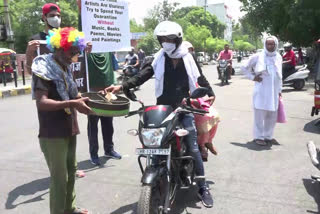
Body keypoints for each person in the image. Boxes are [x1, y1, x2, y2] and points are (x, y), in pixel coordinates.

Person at [105, 21, 215, 208]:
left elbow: (199, 78)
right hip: (163, 109)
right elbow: (142, 75)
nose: (166, 42)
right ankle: (156, 176)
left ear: (178, 39)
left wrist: (210, 92)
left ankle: (203, 187)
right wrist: (121, 86)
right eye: (163, 39)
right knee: (155, 145)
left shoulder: (188, 58)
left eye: (170, 39)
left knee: (192, 145)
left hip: (184, 108)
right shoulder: (158, 58)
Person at [32, 27, 91, 214]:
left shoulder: (64, 67)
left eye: (76, 52)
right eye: (71, 51)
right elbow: (41, 102)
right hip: (52, 132)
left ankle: (69, 208)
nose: (74, 56)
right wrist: (72, 102)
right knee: (59, 179)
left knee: (71, 173)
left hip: (69, 127)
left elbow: (74, 94)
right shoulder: (43, 69)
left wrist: (94, 98)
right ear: (58, 47)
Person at [76, 0, 121, 166]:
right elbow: (84, 28)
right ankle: (93, 153)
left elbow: (112, 25)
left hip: (107, 92)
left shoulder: (108, 49)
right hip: (92, 93)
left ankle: (109, 149)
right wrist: (82, 10)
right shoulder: (87, 51)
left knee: (108, 123)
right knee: (93, 125)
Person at [241, 36, 282, 146]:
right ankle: (258, 137)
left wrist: (280, 90)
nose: (270, 46)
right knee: (260, 115)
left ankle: (268, 136)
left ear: (276, 45)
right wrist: (252, 77)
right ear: (265, 44)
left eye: (272, 44)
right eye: (268, 44)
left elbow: (279, 75)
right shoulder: (258, 56)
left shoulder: (278, 57)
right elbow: (244, 67)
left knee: (272, 115)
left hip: (274, 92)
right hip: (261, 91)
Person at [25, 3, 61, 74]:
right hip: (46, 84)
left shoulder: (68, 38)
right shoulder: (36, 40)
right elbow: (30, 71)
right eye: (52, 15)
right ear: (44, 17)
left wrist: (84, 47)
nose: (56, 18)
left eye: (58, 16)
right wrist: (29, 53)